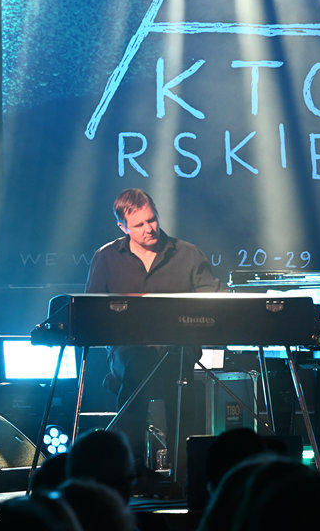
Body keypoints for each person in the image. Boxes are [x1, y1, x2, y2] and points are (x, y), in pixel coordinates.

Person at [86, 188, 222, 490]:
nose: (149, 228)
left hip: (178, 350)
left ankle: (185, 472)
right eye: (139, 225)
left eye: (152, 220)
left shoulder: (188, 254)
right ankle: (133, 470)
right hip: (128, 352)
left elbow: (214, 302)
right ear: (122, 227)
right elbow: (92, 311)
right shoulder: (106, 257)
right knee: (138, 361)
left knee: (178, 367)